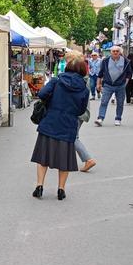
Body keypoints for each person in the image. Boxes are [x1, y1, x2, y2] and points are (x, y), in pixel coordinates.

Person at [31, 52, 89, 200]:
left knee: (43, 157)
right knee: (64, 160)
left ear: (68, 67)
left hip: (50, 121)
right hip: (68, 125)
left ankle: (39, 185)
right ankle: (61, 189)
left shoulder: (56, 81)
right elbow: (81, 110)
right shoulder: (84, 89)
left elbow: (42, 94)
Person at [94, 46, 132, 127]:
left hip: (120, 85)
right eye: (113, 51)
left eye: (117, 51)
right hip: (108, 84)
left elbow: (129, 73)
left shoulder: (126, 61)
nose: (115, 52)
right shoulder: (105, 61)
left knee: (120, 103)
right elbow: (100, 73)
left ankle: (118, 118)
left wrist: (125, 83)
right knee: (104, 101)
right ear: (111, 52)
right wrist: (98, 84)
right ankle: (100, 118)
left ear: (120, 52)